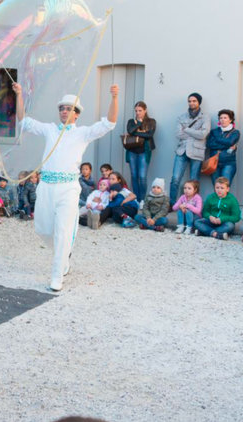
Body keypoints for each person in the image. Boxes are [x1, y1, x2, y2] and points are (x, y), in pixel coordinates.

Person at [13, 82, 119, 292]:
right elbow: (23, 121)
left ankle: (57, 274)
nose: (64, 111)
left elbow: (110, 123)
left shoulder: (83, 133)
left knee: (62, 231)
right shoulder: (50, 130)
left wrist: (114, 97)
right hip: (46, 186)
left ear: (76, 114)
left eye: (69, 108)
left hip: (69, 188)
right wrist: (18, 95)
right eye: (62, 108)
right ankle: (64, 254)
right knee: (43, 229)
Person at [169, 92, 210, 203]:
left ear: (199, 102)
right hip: (182, 151)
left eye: (194, 101)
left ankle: (193, 204)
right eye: (189, 101)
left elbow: (203, 134)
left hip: (197, 151)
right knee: (175, 178)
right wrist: (196, 133)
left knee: (194, 180)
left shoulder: (205, 117)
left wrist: (186, 129)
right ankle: (172, 203)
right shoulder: (181, 117)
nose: (191, 103)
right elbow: (178, 134)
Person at [124, 101, 156, 202]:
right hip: (132, 151)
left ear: (145, 110)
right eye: (136, 111)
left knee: (142, 177)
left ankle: (142, 199)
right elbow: (130, 131)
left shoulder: (151, 121)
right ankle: (136, 199)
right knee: (134, 176)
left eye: (140, 110)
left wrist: (135, 132)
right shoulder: (131, 121)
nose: (138, 113)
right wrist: (139, 124)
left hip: (144, 151)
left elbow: (149, 135)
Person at [206, 109, 240, 187]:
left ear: (230, 120)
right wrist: (226, 144)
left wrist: (217, 139)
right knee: (216, 187)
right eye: (221, 118)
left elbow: (230, 142)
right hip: (214, 163)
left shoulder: (235, 132)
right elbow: (209, 144)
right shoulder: (214, 131)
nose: (222, 120)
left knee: (224, 187)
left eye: (225, 118)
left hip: (228, 163)